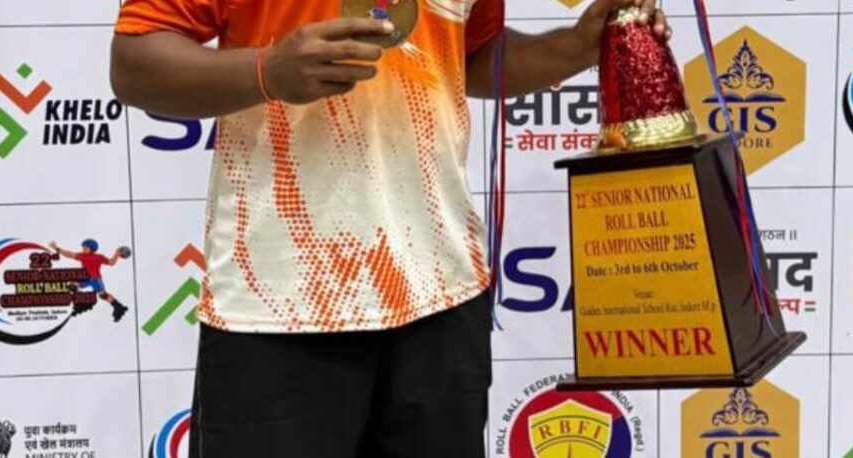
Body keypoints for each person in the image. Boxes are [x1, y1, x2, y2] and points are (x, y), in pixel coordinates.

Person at [110, 0, 671, 456]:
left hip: (441, 295)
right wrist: (266, 72)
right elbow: (134, 63)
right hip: (279, 304)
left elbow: (473, 57)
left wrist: (575, 45)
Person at [49, 239, 129, 322]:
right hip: (86, 278)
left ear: (92, 248)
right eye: (83, 247)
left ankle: (119, 307)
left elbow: (111, 262)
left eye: (86, 247)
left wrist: (117, 253)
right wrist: (56, 248)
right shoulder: (82, 256)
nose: (83, 248)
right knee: (72, 286)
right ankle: (82, 304)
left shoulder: (99, 257)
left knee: (102, 295)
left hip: (95, 279)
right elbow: (69, 254)